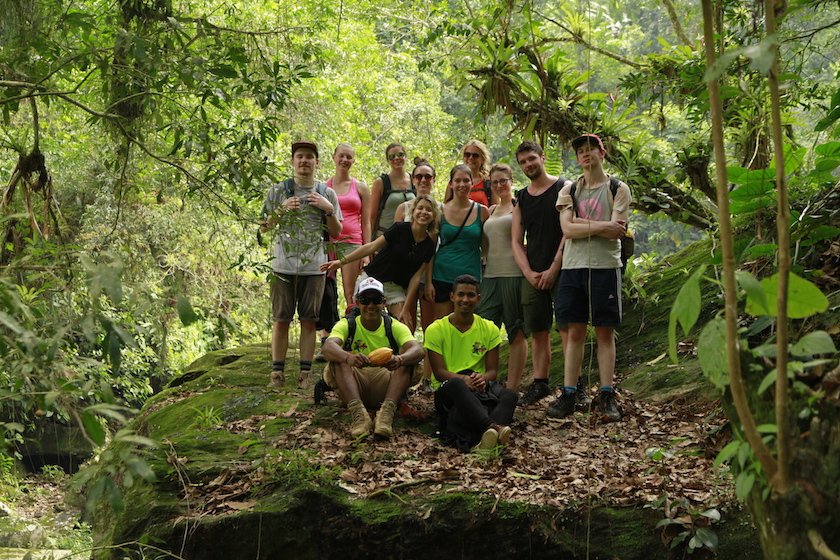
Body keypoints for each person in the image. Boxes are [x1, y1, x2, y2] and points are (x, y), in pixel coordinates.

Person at [548, 134, 631, 422]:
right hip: (573, 266)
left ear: (602, 152)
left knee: (605, 331)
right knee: (575, 331)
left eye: (590, 149)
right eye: (581, 151)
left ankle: (607, 393)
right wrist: (603, 225)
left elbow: (616, 230)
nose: (586, 155)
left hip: (605, 266)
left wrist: (584, 224)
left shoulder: (617, 188)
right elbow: (567, 231)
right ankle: (569, 392)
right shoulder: (569, 190)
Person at [260, 140, 342, 388]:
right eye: (300, 157)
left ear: (317, 162)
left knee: (309, 319)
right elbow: (263, 227)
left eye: (309, 157)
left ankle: (305, 374)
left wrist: (327, 210)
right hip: (282, 264)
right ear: (293, 161)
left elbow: (337, 231)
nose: (304, 161)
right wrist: (281, 211)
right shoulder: (278, 191)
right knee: (281, 318)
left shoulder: (326, 194)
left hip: (314, 265)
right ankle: (277, 373)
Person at [424, 275, 518, 452]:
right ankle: (493, 427)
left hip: (480, 388)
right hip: (449, 390)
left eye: (470, 295)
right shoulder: (436, 329)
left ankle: (485, 438)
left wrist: (481, 379)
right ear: (452, 296)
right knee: (457, 384)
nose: (465, 300)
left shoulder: (489, 328)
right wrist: (464, 380)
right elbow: (439, 372)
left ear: (478, 298)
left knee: (510, 395)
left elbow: (492, 371)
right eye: (460, 295)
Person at [321, 277, 424, 438]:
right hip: (355, 382)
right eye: (365, 300)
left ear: (383, 302)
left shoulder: (393, 325)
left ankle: (386, 414)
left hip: (386, 382)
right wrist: (348, 357)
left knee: (409, 361)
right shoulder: (348, 324)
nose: (370, 306)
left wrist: (399, 359)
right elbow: (328, 346)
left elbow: (417, 349)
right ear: (357, 302)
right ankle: (359, 415)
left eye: (375, 300)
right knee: (338, 359)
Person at [511, 141, 573, 406]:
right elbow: (516, 239)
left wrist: (553, 268)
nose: (528, 165)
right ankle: (540, 382)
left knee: (568, 329)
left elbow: (568, 231)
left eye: (532, 159)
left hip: (564, 268)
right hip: (533, 272)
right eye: (523, 162)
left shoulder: (564, 188)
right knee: (538, 329)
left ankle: (574, 384)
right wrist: (528, 272)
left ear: (542, 157)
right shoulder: (521, 197)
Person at [321, 195, 439, 320]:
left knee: (404, 323)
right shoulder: (400, 229)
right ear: (413, 211)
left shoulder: (429, 245)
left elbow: (416, 278)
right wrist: (341, 262)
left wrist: (405, 309)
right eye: (420, 208)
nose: (424, 212)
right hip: (373, 278)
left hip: (395, 288)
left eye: (428, 210)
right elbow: (371, 247)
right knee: (364, 320)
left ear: (434, 215)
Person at [475, 163, 528, 391]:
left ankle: (512, 390)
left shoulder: (520, 206)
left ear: (511, 180)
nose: (499, 185)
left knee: (515, 331)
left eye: (503, 180)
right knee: (484, 328)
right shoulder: (492, 210)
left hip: (514, 274)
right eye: (495, 182)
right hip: (491, 276)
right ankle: (481, 382)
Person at [426, 165, 489, 322]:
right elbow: (430, 250)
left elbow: (487, 248)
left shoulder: (482, 212)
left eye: (466, 180)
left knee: (469, 326)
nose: (462, 185)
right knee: (444, 326)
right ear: (451, 184)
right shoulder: (440, 212)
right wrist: (428, 282)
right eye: (458, 180)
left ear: (472, 183)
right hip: (442, 275)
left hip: (471, 277)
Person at [369, 143, 414, 239]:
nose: (397, 158)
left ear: (405, 156)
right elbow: (372, 216)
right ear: (388, 161)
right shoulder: (381, 182)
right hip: (384, 237)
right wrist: (369, 243)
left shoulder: (414, 180)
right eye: (392, 156)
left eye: (400, 154)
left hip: (409, 238)